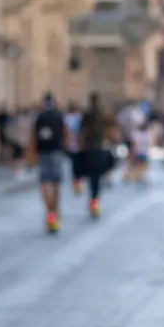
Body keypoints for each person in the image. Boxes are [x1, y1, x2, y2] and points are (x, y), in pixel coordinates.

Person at [28, 93, 69, 233]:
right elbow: (66, 133)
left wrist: (32, 153)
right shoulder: (59, 116)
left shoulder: (39, 118)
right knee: (56, 183)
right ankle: (55, 211)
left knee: (45, 182)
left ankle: (49, 212)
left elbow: (33, 136)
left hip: (43, 153)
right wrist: (65, 147)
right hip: (56, 152)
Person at [79, 92, 112, 218]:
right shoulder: (99, 114)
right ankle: (94, 200)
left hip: (91, 148)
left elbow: (82, 131)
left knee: (93, 176)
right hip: (96, 148)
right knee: (96, 176)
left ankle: (93, 200)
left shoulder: (92, 114)